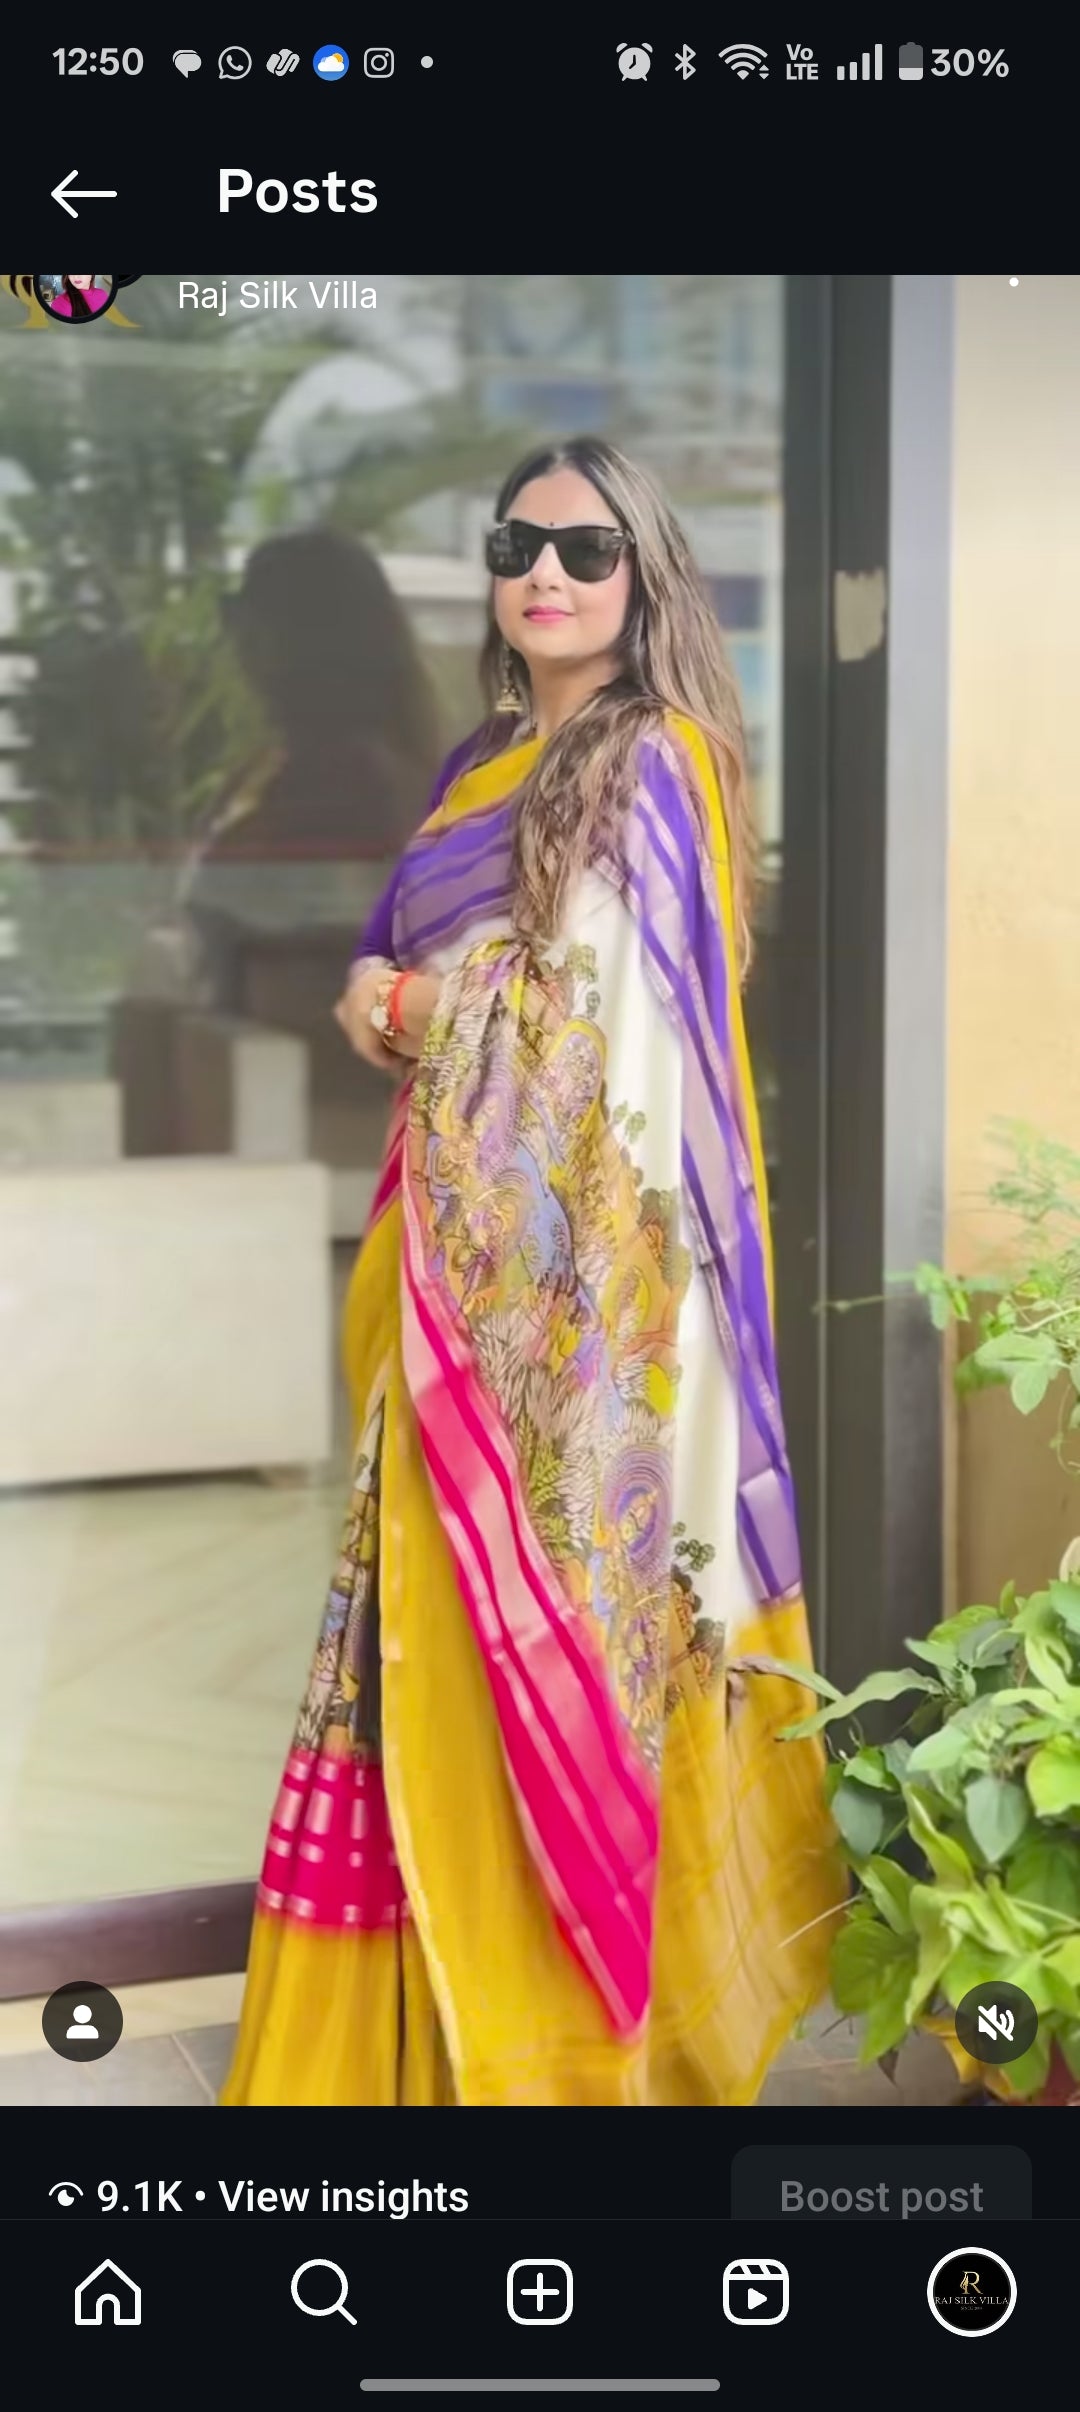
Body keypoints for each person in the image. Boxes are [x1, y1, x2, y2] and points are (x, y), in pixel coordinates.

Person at [221, 437, 842, 2109]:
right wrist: (380, 986)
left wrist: (412, 1004)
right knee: (423, 1649)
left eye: (584, 548)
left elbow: (599, 1030)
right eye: (517, 547)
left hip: (579, 1324)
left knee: (551, 1638)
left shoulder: (657, 760)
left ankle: (561, 2051)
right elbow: (397, 957)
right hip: (446, 1260)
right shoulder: (485, 758)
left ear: (647, 573)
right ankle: (422, 2024)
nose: (546, 573)